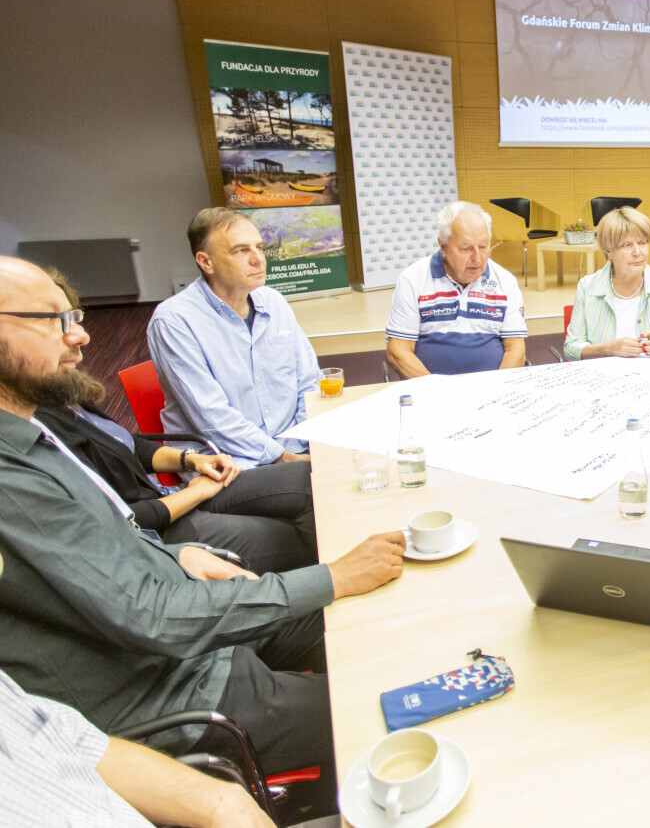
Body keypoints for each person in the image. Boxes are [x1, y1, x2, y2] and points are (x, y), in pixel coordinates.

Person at [0, 255, 404, 802]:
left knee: (384, 623)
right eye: (54, 319)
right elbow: (150, 616)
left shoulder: (30, 431)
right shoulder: (11, 477)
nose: (80, 336)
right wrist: (333, 577)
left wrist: (177, 556)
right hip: (174, 692)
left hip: (191, 640)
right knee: (386, 706)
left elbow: (108, 544)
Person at [38, 269, 316, 574]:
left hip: (174, 499)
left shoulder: (61, 393)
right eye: (55, 321)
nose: (82, 335)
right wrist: (195, 492)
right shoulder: (40, 428)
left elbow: (125, 445)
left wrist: (191, 460)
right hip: (162, 535)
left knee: (313, 480)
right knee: (311, 536)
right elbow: (121, 520)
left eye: (73, 319)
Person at [0, 548, 274, 828]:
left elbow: (78, 742)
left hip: (173, 669)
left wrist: (218, 803)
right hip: (166, 693)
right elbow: (144, 613)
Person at [147, 208, 319, 468]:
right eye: (240, 251)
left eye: (259, 247)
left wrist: (307, 441)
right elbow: (212, 418)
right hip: (228, 463)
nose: (258, 259)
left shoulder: (273, 301)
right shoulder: (174, 320)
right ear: (206, 262)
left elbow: (309, 381)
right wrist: (283, 457)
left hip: (291, 445)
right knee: (328, 485)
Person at [385, 200, 527, 376]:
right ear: (443, 246)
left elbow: (516, 350)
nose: (477, 258)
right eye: (466, 249)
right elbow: (398, 351)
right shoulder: (412, 280)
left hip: (493, 387)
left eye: (483, 247)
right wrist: (436, 388)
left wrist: (497, 387)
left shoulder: (505, 281)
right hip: (430, 388)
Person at [564, 207, 650, 361]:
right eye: (627, 245)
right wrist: (608, 349)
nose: (637, 252)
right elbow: (571, 348)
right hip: (604, 374)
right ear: (609, 251)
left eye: (642, 243)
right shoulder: (587, 287)